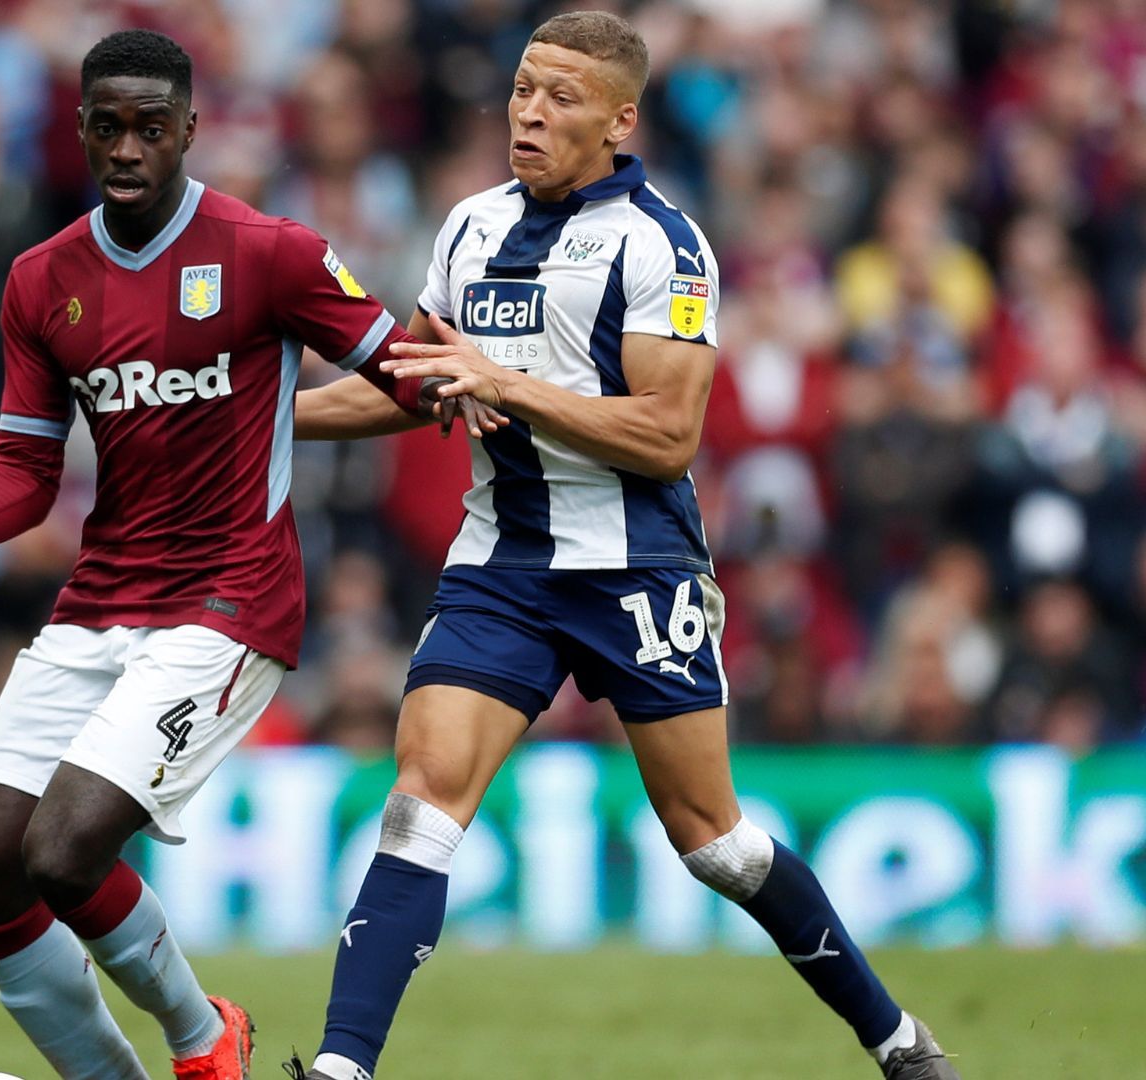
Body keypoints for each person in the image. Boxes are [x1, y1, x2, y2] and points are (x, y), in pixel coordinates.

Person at [285, 13, 959, 1080]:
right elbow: (414, 389)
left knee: (716, 843)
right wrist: (255, 420)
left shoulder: (663, 243)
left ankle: (898, 1040)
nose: (531, 111)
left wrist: (506, 382)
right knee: (422, 798)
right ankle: (340, 1068)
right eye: (520, 89)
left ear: (618, 116)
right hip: (503, 563)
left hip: (636, 568)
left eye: (559, 94)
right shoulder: (466, 228)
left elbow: (668, 432)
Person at [0, 29, 487, 1080]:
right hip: (99, 602)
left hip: (228, 607)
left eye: (151, 126)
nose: (128, 147)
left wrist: (478, 379)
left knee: (64, 852)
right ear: (82, 130)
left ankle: (204, 1042)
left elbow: (409, 374)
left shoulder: (267, 251)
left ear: (190, 129)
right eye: (107, 126)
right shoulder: (42, 281)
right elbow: (25, 477)